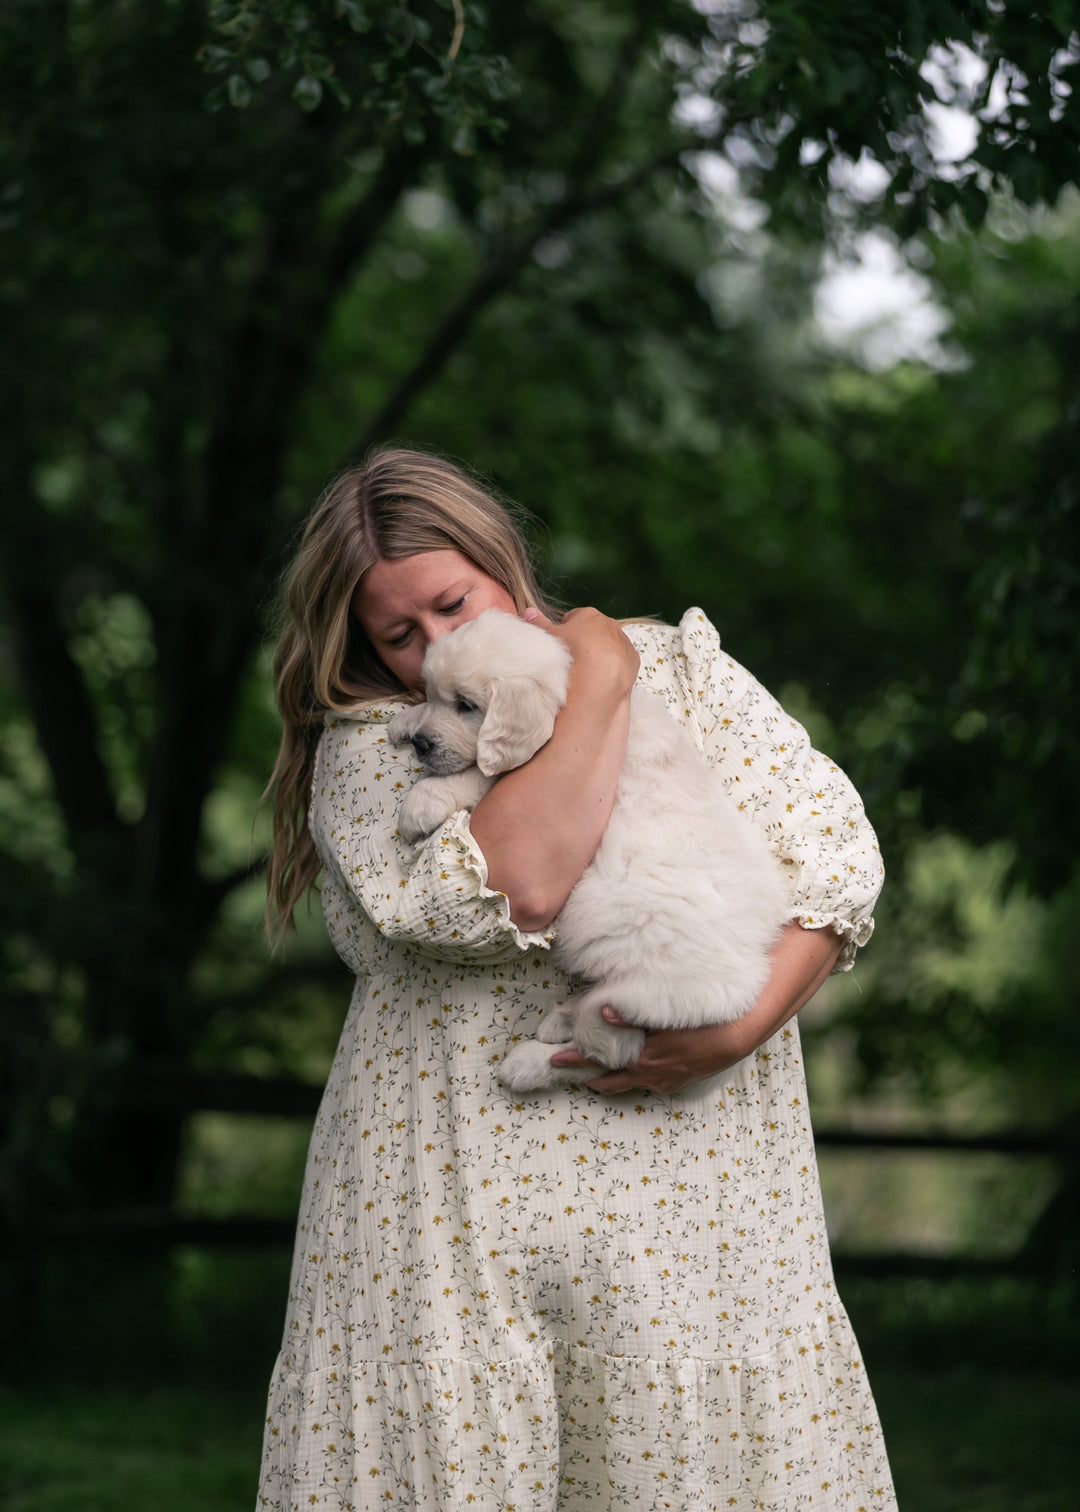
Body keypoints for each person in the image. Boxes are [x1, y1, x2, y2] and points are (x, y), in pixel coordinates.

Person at [256, 447, 897, 1511]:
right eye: (397, 633)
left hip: (699, 1213)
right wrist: (595, 676)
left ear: (501, 563)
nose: (433, 650)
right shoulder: (382, 744)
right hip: (453, 1223)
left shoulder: (686, 670)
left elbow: (836, 858)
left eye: (452, 605)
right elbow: (515, 885)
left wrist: (737, 1028)